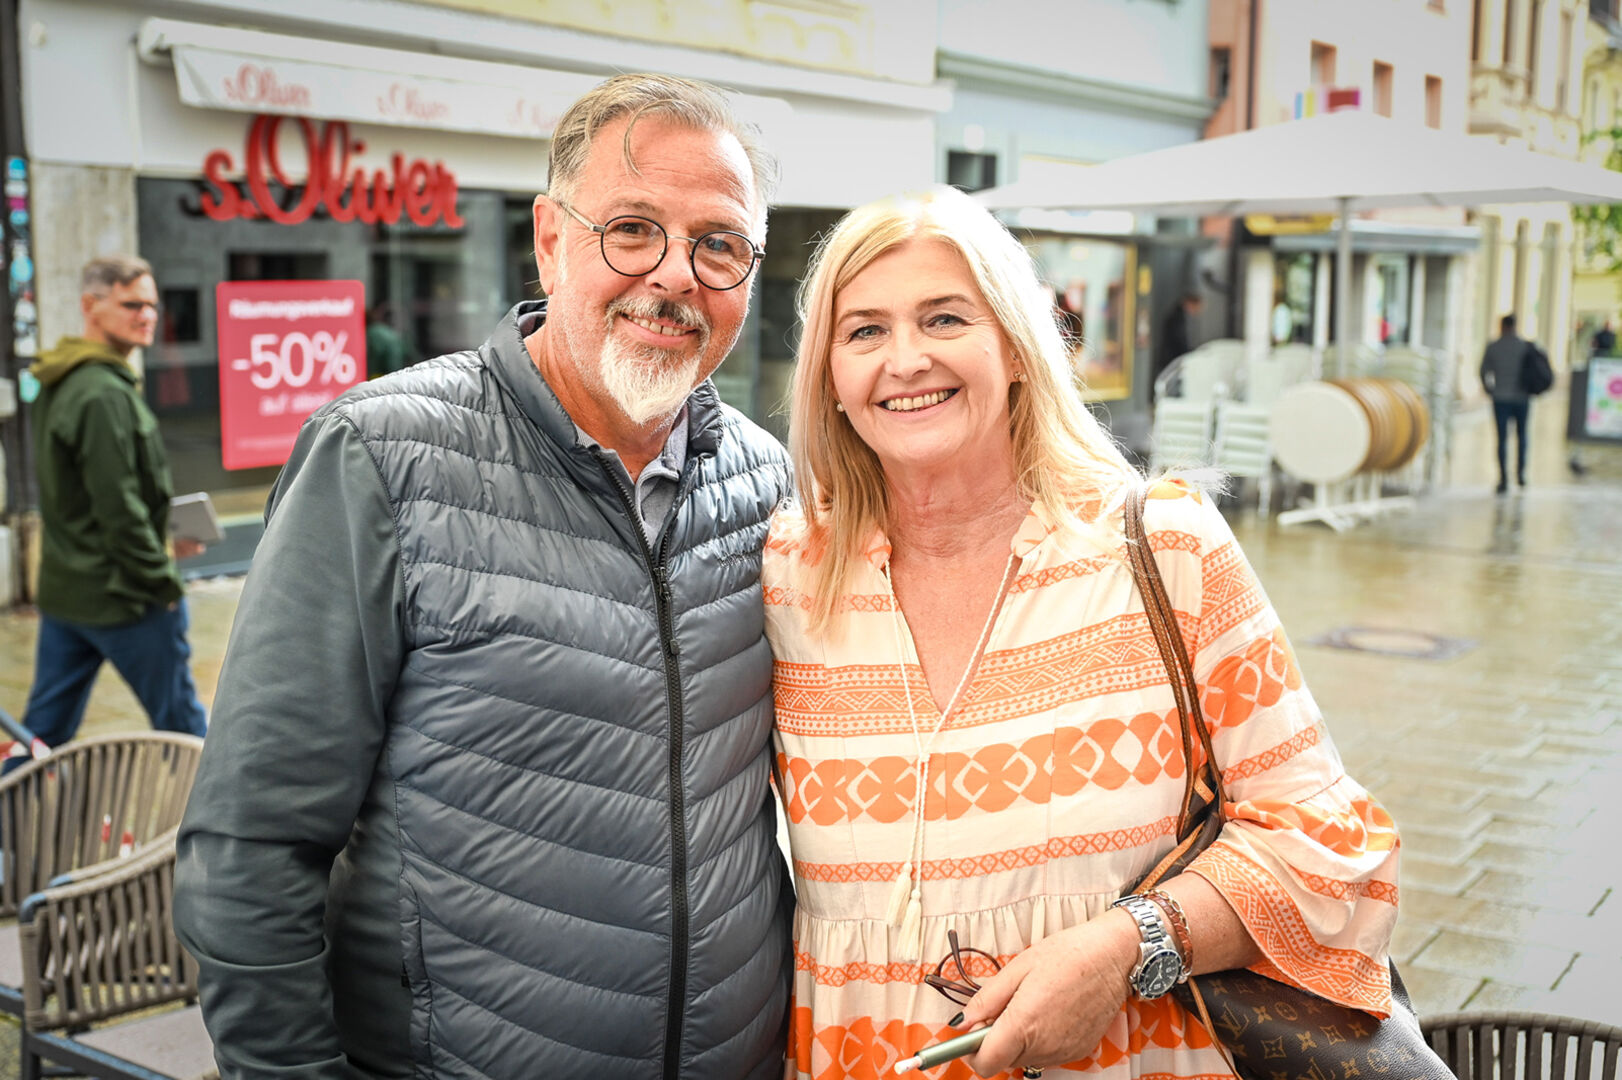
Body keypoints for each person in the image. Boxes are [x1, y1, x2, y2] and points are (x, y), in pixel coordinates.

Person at [174, 74, 794, 1079]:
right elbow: (249, 848)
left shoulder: (766, 483)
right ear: (549, 239)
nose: (675, 275)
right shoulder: (379, 455)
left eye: (717, 243)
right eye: (630, 229)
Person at [767, 187, 1398, 1079]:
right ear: (829, 376)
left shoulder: (1162, 545)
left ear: (1018, 348)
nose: (904, 359)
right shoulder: (790, 574)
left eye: (944, 318)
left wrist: (1126, 946)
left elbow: (1328, 840)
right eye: (863, 331)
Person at [21, 254, 208, 748]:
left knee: (40, 736)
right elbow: (118, 508)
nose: (147, 315)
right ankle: (221, 826)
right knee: (186, 733)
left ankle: (8, 822)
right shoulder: (103, 395)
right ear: (91, 305)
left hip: (67, 592)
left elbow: (83, 495)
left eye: (151, 304)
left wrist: (165, 541)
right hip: (125, 598)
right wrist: (162, 580)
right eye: (131, 304)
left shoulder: (60, 378)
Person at [1479, 313, 1534, 494]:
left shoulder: (1494, 347)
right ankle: (1521, 475)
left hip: (1501, 397)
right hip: (1522, 398)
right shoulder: (1524, 346)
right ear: (1515, 325)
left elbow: (1483, 370)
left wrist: (1490, 390)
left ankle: (1503, 479)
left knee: (1502, 438)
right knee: (1522, 436)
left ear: (1502, 326)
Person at [1156, 291, 1201, 382]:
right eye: (1196, 307)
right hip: (1171, 361)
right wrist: (1190, 352)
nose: (1197, 311)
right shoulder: (1177, 319)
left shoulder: (1178, 317)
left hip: (1170, 359)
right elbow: (1179, 341)